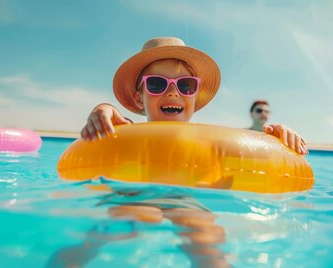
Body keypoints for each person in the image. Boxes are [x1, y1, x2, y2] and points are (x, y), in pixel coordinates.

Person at [51, 37, 306, 267]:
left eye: (185, 85)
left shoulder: (209, 142)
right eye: (156, 83)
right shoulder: (125, 133)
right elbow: (108, 122)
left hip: (187, 200)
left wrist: (277, 139)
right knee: (120, 224)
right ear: (139, 98)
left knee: (205, 238)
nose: (173, 91)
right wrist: (101, 108)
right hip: (134, 196)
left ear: (194, 96)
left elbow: (245, 159)